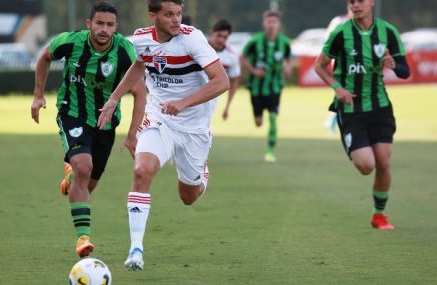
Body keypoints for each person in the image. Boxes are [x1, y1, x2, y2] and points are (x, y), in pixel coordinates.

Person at [97, 0, 229, 270]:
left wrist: (183, 103)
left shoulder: (192, 40)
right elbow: (138, 65)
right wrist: (113, 99)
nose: (176, 20)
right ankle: (136, 250)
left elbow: (221, 81)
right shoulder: (143, 39)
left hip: (193, 128)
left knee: (188, 196)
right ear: (153, 16)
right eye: (169, 15)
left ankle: (201, 173)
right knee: (141, 171)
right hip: (159, 119)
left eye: (178, 13)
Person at [30, 1, 146, 258]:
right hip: (72, 114)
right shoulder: (70, 42)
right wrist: (38, 95)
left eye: (110, 25)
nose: (104, 29)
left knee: (87, 184)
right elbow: (44, 57)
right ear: (89, 24)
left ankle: (71, 177)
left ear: (116, 27)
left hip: (106, 124)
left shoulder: (125, 52)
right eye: (100, 23)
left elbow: (140, 92)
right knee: (84, 167)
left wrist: (132, 134)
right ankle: (83, 238)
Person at [314, 0, 410, 230]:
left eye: (360, 1)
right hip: (350, 110)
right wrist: (337, 86)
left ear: (371, 2)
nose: (355, 5)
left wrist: (393, 64)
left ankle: (379, 215)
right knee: (367, 166)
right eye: (351, 2)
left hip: (380, 107)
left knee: (384, 163)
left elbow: (405, 71)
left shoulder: (388, 31)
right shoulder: (340, 32)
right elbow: (320, 65)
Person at [240, 10, 292, 162]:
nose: (271, 25)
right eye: (269, 22)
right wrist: (253, 70)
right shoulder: (255, 41)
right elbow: (242, 58)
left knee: (274, 117)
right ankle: (257, 116)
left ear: (278, 24)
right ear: (264, 23)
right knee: (258, 122)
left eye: (274, 22)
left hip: (275, 86)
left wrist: (287, 68)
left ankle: (270, 151)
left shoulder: (285, 42)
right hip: (256, 87)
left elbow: (288, 60)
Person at [323, 7, 353, 133]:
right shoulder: (338, 21)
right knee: (343, 89)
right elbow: (328, 40)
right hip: (341, 62)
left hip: (357, 63)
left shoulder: (364, 22)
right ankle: (334, 119)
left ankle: (334, 119)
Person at [207, 19, 241, 120]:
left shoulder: (231, 56)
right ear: (212, 33)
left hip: (211, 99)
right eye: (219, 35)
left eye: (225, 37)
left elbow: (233, 82)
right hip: (188, 93)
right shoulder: (199, 48)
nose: (221, 40)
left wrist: (227, 107)